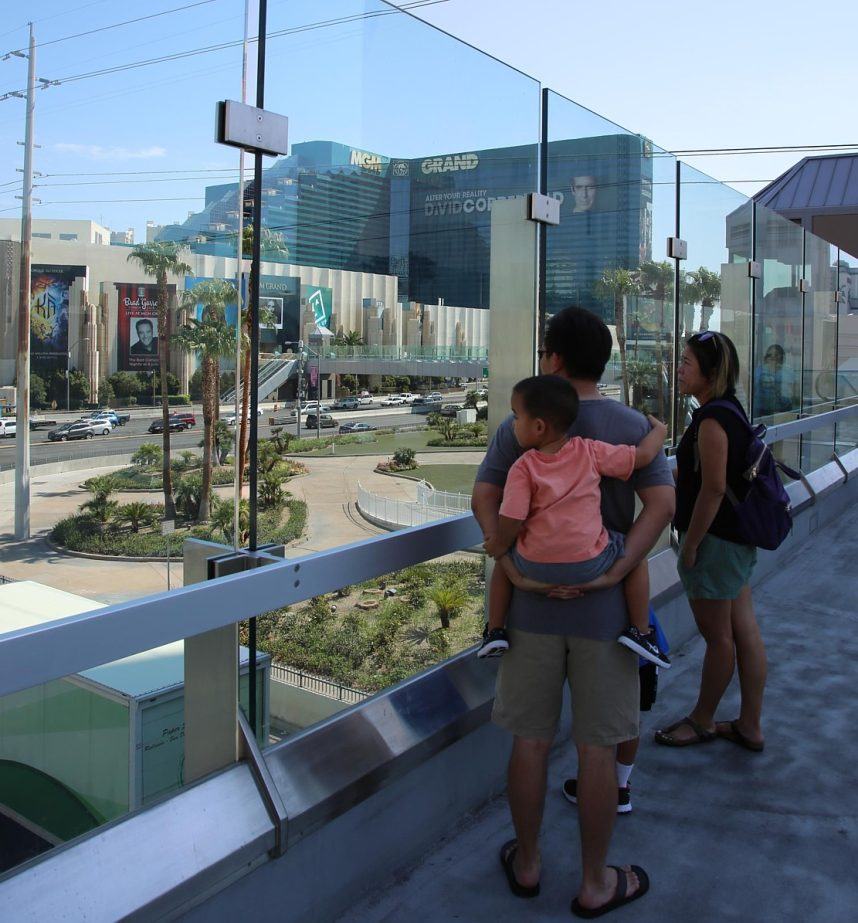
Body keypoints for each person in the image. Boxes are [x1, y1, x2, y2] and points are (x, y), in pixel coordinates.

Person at [472, 307, 674, 916]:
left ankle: (528, 864)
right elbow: (660, 504)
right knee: (596, 751)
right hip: (605, 615)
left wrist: (509, 565)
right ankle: (594, 882)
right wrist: (616, 568)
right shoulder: (629, 424)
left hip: (530, 608)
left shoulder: (526, 422)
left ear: (554, 359)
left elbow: (486, 495)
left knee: (530, 743)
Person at [477, 374, 670, 671]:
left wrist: (500, 545)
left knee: (505, 559)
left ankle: (495, 630)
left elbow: (511, 517)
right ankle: (640, 632)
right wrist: (659, 430)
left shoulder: (523, 467)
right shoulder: (590, 451)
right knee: (636, 557)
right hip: (590, 563)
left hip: (533, 567)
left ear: (539, 427)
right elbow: (642, 456)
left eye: (517, 416)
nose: (512, 423)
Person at [654, 330, 767, 751]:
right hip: (734, 541)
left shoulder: (713, 421)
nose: (679, 369)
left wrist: (693, 545)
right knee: (744, 632)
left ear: (711, 372)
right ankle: (750, 725)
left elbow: (713, 489)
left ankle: (701, 720)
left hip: (716, 544)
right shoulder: (728, 410)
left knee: (720, 638)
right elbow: (701, 476)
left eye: (687, 363)